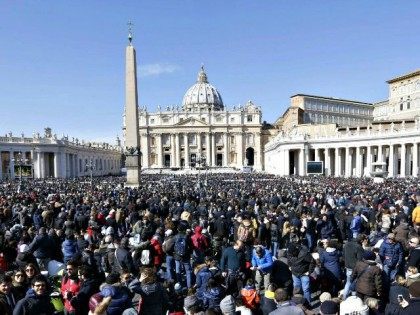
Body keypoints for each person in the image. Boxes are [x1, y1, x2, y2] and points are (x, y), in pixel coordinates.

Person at [342, 234, 365, 298]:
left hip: (347, 267)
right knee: (355, 284)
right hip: (355, 269)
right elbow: (360, 259)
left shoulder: (346, 244)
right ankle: (354, 299)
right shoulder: (358, 247)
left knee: (348, 282)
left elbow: (343, 256)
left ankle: (344, 297)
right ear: (362, 240)